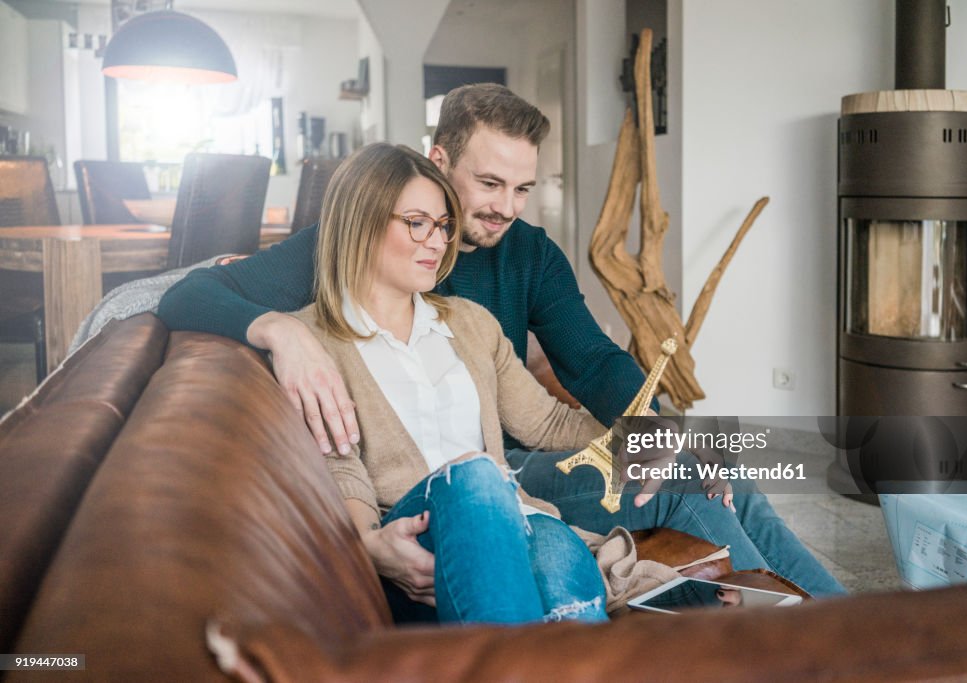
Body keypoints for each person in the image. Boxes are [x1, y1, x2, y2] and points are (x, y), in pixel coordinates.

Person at [157, 83, 845, 597]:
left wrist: (657, 429)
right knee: (684, 490)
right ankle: (822, 634)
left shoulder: (530, 254)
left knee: (715, 473)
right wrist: (278, 330)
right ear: (438, 159)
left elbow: (592, 360)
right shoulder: (367, 238)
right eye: (489, 183)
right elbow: (186, 294)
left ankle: (840, 619)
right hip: (492, 474)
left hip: (527, 457)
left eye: (523, 187)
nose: (506, 208)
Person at [291, 141, 608, 624]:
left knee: (572, 613)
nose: (438, 243)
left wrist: (661, 439)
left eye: (442, 226)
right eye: (417, 223)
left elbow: (547, 424)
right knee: (477, 473)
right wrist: (366, 543)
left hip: (519, 516)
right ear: (362, 221)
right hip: (416, 529)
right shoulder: (313, 338)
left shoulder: (469, 322)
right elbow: (341, 464)